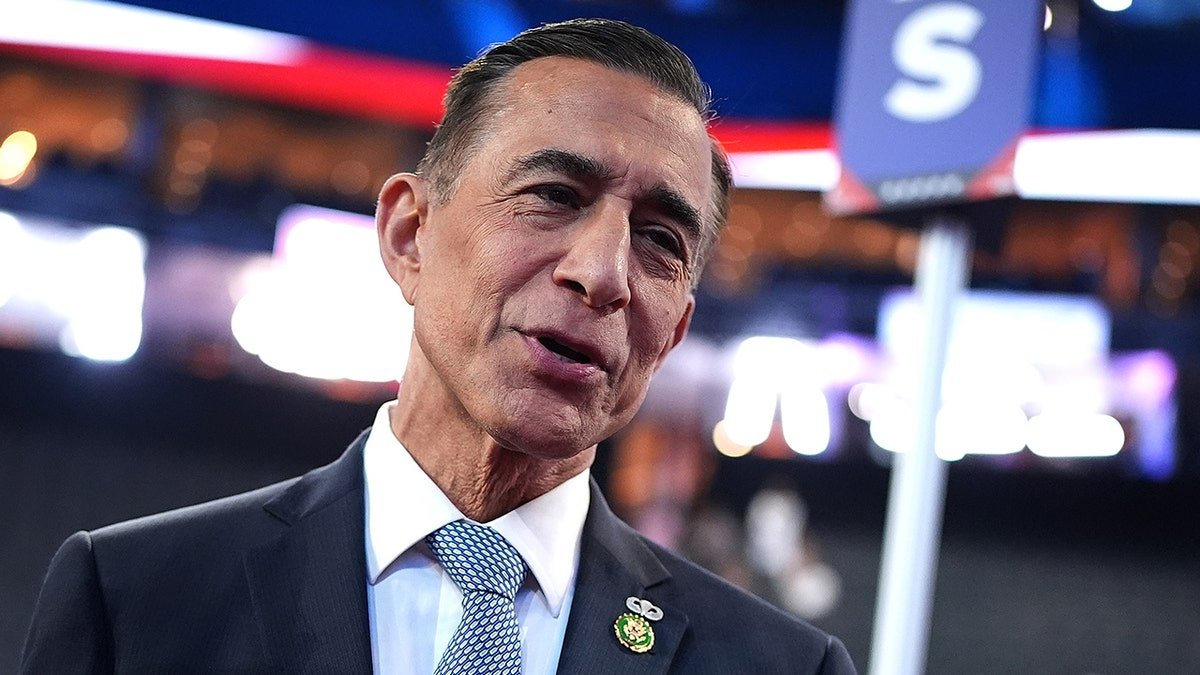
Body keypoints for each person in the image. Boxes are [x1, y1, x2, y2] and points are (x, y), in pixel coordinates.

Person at [21, 18, 856, 674]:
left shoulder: (780, 666)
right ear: (409, 234)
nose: (604, 273)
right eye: (554, 194)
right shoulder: (136, 598)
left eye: (661, 242)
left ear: (674, 329)